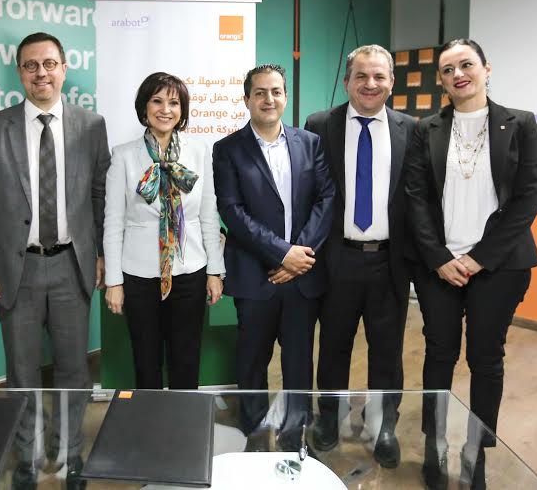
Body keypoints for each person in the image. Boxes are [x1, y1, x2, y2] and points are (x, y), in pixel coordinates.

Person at [0, 31, 109, 490]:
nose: (41, 73)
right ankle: (26, 458)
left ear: (64, 69)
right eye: (31, 65)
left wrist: (101, 254)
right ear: (20, 73)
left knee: (74, 371)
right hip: (17, 269)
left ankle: (68, 455)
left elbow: (99, 196)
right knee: (22, 372)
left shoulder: (91, 125)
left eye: (49, 64)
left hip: (72, 266)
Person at [404, 39, 537, 490]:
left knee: (486, 359)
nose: (458, 74)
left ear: (486, 69)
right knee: (439, 354)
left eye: (466, 65)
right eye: (448, 70)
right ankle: (434, 445)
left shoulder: (520, 124)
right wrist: (440, 258)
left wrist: (479, 258)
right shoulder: (426, 129)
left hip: (499, 266)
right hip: (438, 268)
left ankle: (474, 452)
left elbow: (528, 199)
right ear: (441, 81)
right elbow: (415, 199)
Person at [305, 44, 418, 467]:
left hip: (390, 261)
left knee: (387, 350)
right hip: (338, 258)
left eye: (379, 76)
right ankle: (328, 415)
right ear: (347, 81)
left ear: (391, 81)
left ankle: (384, 424)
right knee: (333, 345)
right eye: (361, 76)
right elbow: (310, 192)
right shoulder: (320, 124)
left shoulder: (411, 129)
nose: (370, 84)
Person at [212, 64, 335, 449]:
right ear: (247, 99)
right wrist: (283, 255)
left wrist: (300, 256)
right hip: (255, 275)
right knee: (252, 361)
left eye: (276, 91)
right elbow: (232, 212)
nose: (269, 99)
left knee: (298, 362)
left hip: (303, 275)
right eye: (260, 92)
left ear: (285, 96)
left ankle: (295, 436)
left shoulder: (309, 143)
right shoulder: (228, 149)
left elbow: (326, 199)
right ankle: (254, 435)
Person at [102, 72, 224, 389]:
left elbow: (208, 215)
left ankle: (185, 418)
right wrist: (114, 281)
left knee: (187, 357)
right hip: (139, 273)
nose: (165, 110)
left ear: (182, 110)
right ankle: (151, 418)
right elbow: (113, 222)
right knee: (146, 359)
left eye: (174, 103)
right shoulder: (124, 155)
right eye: (157, 101)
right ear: (144, 107)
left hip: (190, 270)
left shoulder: (199, 151)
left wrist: (215, 271)